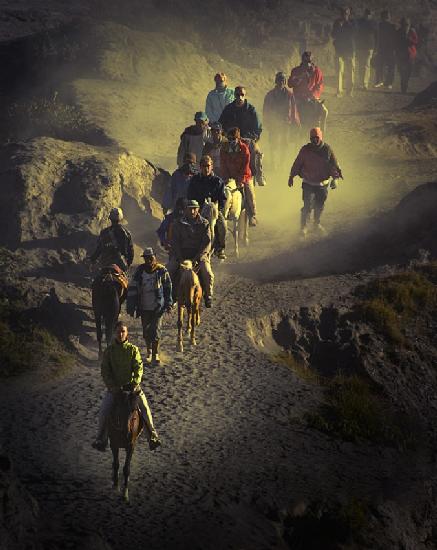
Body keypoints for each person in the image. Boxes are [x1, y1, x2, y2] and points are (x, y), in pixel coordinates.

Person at [92, 321, 160, 451]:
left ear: (127, 333)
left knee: (145, 409)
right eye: (118, 331)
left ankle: (152, 437)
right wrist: (111, 386)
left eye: (123, 331)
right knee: (103, 412)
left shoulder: (133, 350)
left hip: (132, 389)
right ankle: (100, 439)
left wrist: (135, 382)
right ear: (114, 333)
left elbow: (139, 367)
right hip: (115, 390)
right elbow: (105, 371)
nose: (120, 334)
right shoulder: (109, 351)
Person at [288, 127, 342, 236]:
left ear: (320, 137)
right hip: (308, 182)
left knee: (319, 205)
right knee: (307, 204)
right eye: (312, 138)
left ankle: (316, 224)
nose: (314, 140)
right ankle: (303, 227)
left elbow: (333, 165)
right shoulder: (305, 150)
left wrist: (335, 179)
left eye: (317, 138)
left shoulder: (327, 150)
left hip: (323, 184)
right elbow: (297, 163)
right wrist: (291, 176)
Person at [127, 248, 172, 365]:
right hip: (143, 306)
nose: (148, 260)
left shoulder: (162, 270)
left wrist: (168, 303)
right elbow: (133, 287)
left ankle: (155, 354)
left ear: (154, 257)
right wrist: (131, 305)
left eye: (150, 258)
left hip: (158, 306)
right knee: (146, 330)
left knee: (156, 330)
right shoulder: (140, 271)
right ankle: (149, 350)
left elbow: (168, 288)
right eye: (146, 258)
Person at [167, 199, 214, 308]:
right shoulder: (177, 223)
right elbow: (175, 241)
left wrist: (198, 257)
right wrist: (180, 258)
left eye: (194, 209)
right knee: (168, 271)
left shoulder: (205, 223)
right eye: (190, 209)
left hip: (199, 255)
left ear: (198, 209)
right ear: (185, 210)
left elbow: (206, 243)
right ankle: (170, 296)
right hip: (181, 255)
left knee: (208, 273)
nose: (192, 211)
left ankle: (208, 295)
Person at [187, 155, 227, 260]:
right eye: (204, 166)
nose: (206, 168)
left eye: (208, 166)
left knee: (223, 226)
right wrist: (195, 208)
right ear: (200, 167)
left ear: (212, 166)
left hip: (214, 210)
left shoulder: (218, 181)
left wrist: (218, 210)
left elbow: (222, 199)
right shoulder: (195, 180)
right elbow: (190, 196)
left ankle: (220, 248)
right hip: (197, 210)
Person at [220, 127, 258, 227]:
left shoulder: (244, 149)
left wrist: (240, 180)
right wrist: (226, 177)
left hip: (244, 176)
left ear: (238, 138)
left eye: (233, 139)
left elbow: (246, 166)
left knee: (249, 194)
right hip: (229, 176)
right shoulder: (224, 149)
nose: (231, 141)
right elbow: (223, 164)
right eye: (229, 139)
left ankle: (253, 215)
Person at [263, 71, 300, 170]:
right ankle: (273, 163)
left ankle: (282, 164)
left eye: (283, 80)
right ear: (276, 81)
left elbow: (293, 109)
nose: (281, 82)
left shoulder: (289, 94)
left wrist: (296, 123)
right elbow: (266, 110)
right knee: (273, 144)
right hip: (273, 123)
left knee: (285, 144)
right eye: (279, 79)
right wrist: (267, 122)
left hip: (285, 123)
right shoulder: (270, 95)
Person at [288, 52, 328, 134]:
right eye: (305, 62)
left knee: (324, 111)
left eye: (309, 62)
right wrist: (299, 78)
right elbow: (290, 84)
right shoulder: (296, 71)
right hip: (298, 98)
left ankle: (321, 132)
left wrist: (313, 95)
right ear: (302, 61)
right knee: (291, 113)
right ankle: (293, 133)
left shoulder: (317, 71)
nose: (307, 64)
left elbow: (319, 86)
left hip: (312, 98)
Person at [89, 207, 134, 272]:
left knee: (98, 281)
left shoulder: (104, 232)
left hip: (106, 265)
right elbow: (131, 252)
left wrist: (92, 259)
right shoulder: (127, 233)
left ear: (110, 219)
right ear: (121, 218)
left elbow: (99, 249)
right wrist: (128, 264)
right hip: (121, 266)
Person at [332, 6, 356, 97]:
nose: (344, 15)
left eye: (346, 13)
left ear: (349, 14)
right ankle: (339, 91)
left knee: (350, 71)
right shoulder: (337, 22)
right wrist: (339, 27)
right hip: (339, 49)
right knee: (339, 70)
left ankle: (350, 91)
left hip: (349, 50)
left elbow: (354, 33)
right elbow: (333, 34)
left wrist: (346, 24)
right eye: (343, 13)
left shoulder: (353, 22)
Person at [355, 8, 377, 90]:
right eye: (367, 14)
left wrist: (376, 48)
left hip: (369, 47)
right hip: (362, 46)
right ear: (365, 14)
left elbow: (377, 36)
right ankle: (362, 83)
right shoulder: (361, 22)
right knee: (362, 65)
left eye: (369, 14)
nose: (368, 15)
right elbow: (356, 34)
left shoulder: (372, 23)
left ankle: (364, 84)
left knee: (366, 65)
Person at [374, 10, 396, 89]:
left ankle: (385, 82)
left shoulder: (390, 26)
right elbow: (377, 37)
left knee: (384, 66)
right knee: (386, 66)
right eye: (386, 16)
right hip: (383, 49)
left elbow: (394, 39)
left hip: (386, 49)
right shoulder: (381, 26)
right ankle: (385, 82)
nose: (387, 18)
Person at [395, 17, 418, 94]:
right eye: (404, 24)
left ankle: (405, 85)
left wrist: (409, 40)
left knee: (408, 71)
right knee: (402, 71)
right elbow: (396, 43)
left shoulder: (412, 32)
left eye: (407, 24)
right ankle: (403, 87)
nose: (406, 26)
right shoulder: (398, 32)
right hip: (401, 55)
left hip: (410, 54)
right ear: (401, 25)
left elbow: (416, 41)